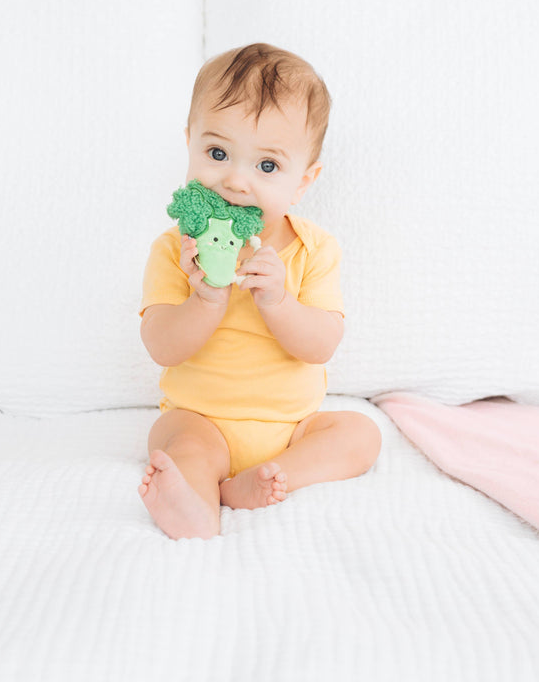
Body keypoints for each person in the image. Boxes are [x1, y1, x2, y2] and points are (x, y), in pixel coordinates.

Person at [137, 42, 382, 540]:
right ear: (189, 143)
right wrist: (203, 298)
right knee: (177, 444)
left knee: (362, 435)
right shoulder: (174, 249)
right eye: (217, 153)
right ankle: (195, 507)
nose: (235, 181)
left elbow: (322, 346)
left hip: (291, 428)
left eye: (266, 166)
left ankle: (273, 479)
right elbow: (161, 345)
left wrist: (279, 301)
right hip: (201, 418)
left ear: (303, 181)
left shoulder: (314, 250)